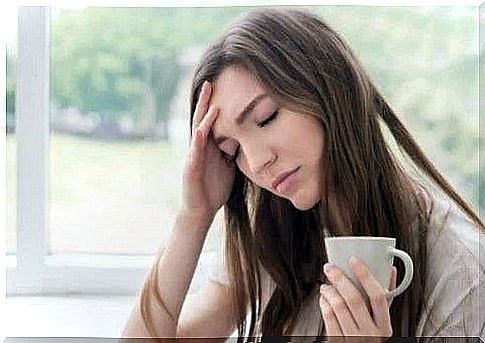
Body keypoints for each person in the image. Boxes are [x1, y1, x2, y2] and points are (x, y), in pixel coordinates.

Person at [122, 8, 484, 341]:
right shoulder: (276, 238)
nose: (257, 161)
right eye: (232, 150)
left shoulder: (462, 272)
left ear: (329, 89)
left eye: (265, 118)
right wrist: (194, 215)